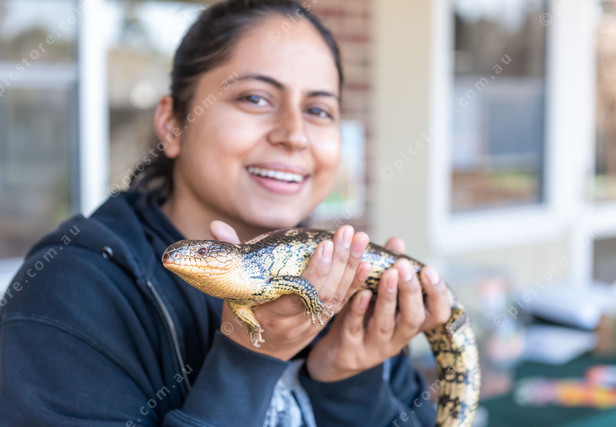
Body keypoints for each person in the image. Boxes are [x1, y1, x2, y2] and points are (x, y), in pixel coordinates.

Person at [0, 1, 452, 425]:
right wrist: (248, 360)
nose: (294, 135)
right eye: (255, 98)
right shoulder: (64, 297)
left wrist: (350, 382)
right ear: (172, 125)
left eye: (318, 109)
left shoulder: (346, 284)